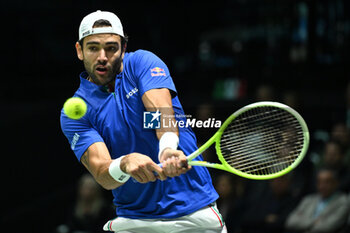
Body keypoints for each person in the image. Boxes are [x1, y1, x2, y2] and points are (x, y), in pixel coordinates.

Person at [60, 10, 226, 233]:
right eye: (93, 47)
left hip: (194, 215)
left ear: (123, 48)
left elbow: (159, 113)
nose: (102, 56)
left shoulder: (142, 63)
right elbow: (102, 173)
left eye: (111, 47)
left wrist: (167, 148)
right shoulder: (75, 112)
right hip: (134, 222)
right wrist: (124, 163)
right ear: (79, 51)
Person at [285, 168, 349, 233]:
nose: (322, 186)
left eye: (327, 182)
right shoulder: (309, 199)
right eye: (319, 182)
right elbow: (290, 221)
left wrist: (303, 222)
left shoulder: (344, 201)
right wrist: (314, 222)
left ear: (336, 183)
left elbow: (327, 227)